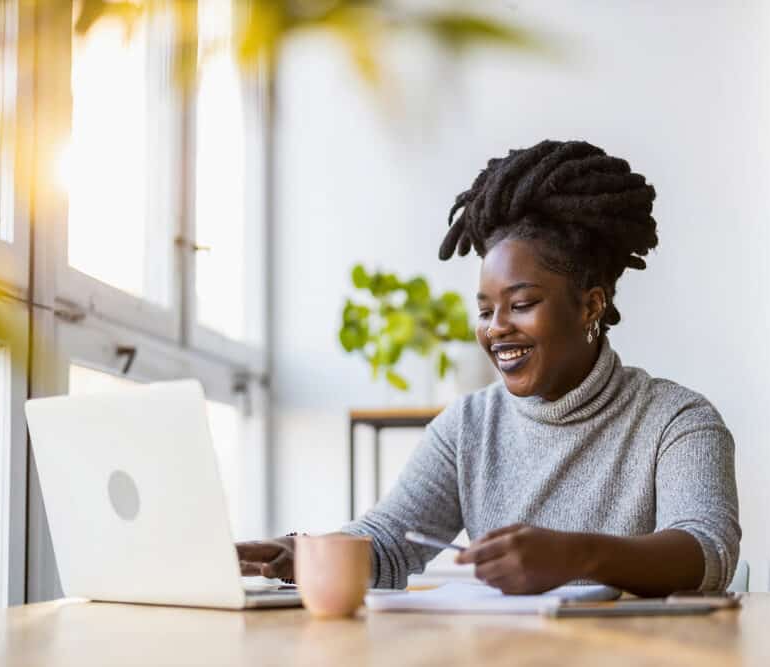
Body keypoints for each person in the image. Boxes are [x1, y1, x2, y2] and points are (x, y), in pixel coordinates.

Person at [238, 139, 740, 596]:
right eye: (485, 310)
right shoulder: (469, 426)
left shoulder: (676, 419)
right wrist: (302, 551)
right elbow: (391, 543)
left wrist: (576, 554)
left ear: (590, 306)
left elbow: (707, 551)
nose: (496, 328)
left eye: (521, 304)